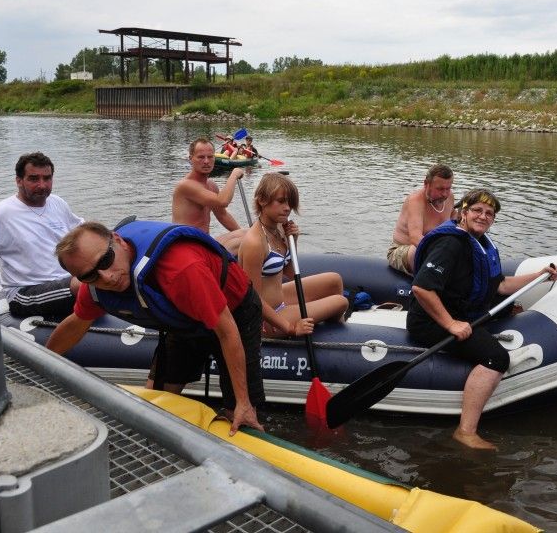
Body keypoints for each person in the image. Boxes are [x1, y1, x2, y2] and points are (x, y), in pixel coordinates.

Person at [46, 220, 283, 434]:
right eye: (90, 275)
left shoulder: (179, 268)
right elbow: (77, 323)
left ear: (117, 240)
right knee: (158, 399)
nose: (106, 277)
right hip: (184, 319)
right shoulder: (97, 286)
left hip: (233, 311)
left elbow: (227, 331)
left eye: (106, 260)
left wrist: (242, 402)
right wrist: (44, 363)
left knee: (240, 412)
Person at [407, 188, 557, 450]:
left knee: (505, 309)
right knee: (496, 358)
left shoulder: (482, 245)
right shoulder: (450, 244)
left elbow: (500, 285)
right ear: (463, 212)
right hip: (430, 322)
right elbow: (422, 288)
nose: (483, 216)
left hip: (462, 313)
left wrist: (539, 275)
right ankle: (465, 431)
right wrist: (451, 324)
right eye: (477, 210)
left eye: (489, 213)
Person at [237, 173, 346, 337]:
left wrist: (293, 240)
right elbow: (253, 300)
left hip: (280, 300)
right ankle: (334, 339)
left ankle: (334, 329)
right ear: (261, 200)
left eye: (290, 202)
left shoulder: (280, 228)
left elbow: (288, 272)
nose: (287, 207)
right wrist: (291, 328)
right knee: (341, 302)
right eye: (281, 201)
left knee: (334, 280)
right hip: (265, 318)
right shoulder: (255, 242)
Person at [0, 152, 83, 318]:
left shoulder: (57, 203)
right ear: (19, 181)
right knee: (85, 285)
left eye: (47, 178)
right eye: (34, 179)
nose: (42, 185)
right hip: (25, 293)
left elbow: (82, 234)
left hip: (66, 281)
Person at [172, 137, 246, 253]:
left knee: (248, 235)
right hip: (188, 247)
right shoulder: (186, 186)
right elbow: (223, 201)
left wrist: (243, 234)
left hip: (205, 242)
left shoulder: (211, 186)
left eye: (210, 157)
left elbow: (222, 215)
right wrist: (233, 175)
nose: (206, 161)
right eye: (201, 157)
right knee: (248, 241)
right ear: (191, 159)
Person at [388, 164, 455, 275]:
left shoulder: (449, 197)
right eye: (440, 189)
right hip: (404, 251)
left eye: (448, 188)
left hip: (437, 249)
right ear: (426, 184)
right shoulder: (416, 201)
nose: (444, 194)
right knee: (418, 250)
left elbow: (454, 219)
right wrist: (442, 254)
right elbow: (415, 238)